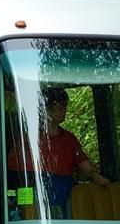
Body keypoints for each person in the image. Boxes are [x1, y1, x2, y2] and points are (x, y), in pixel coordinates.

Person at [8, 87, 108, 215]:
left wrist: (99, 178)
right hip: (39, 200)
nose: (62, 111)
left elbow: (87, 168)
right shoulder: (28, 141)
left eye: (63, 107)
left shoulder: (69, 139)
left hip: (67, 197)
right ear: (43, 109)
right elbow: (19, 181)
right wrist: (25, 208)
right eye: (56, 107)